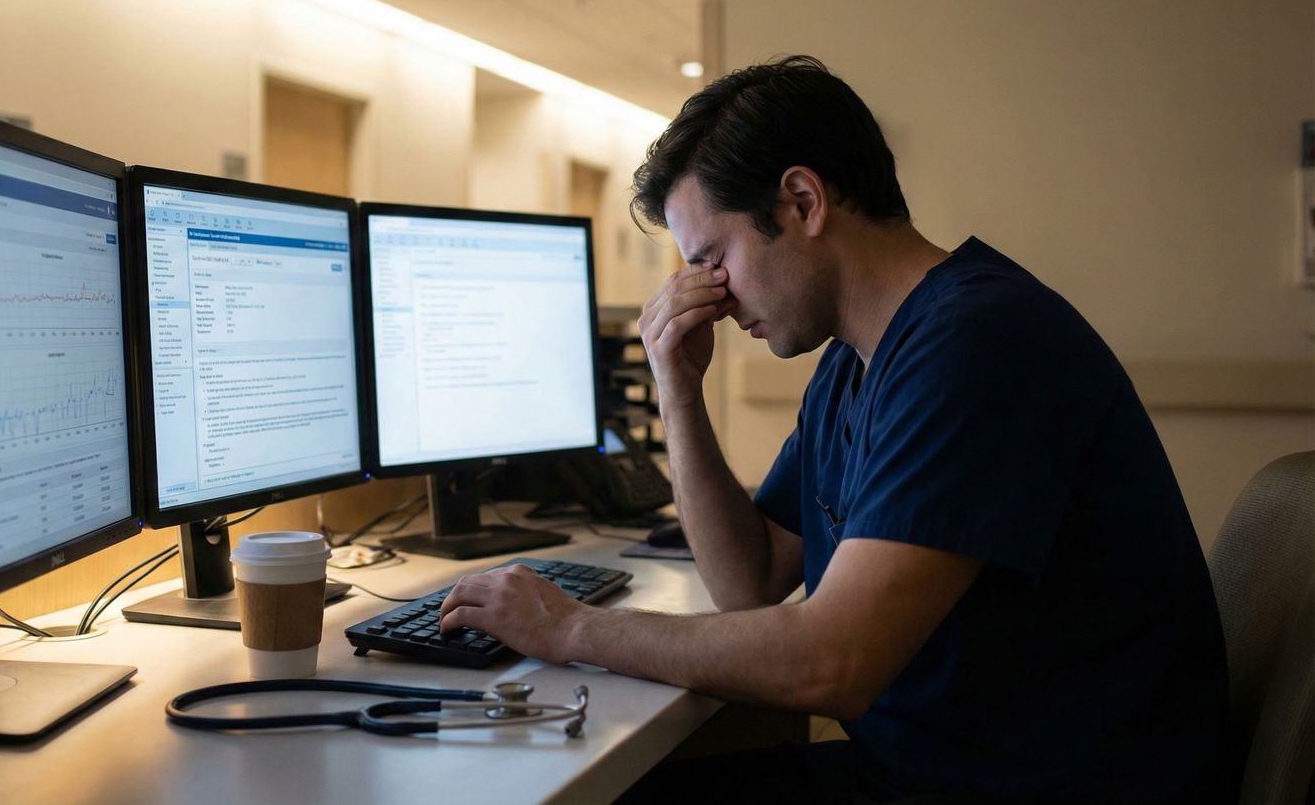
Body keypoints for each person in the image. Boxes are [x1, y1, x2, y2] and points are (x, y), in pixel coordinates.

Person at [440, 55, 1229, 804]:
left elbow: (831, 663)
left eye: (711, 257)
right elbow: (747, 584)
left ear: (803, 202)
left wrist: (571, 625)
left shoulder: (976, 342)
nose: (705, 293)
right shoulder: (858, 361)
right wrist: (678, 394)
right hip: (948, 769)